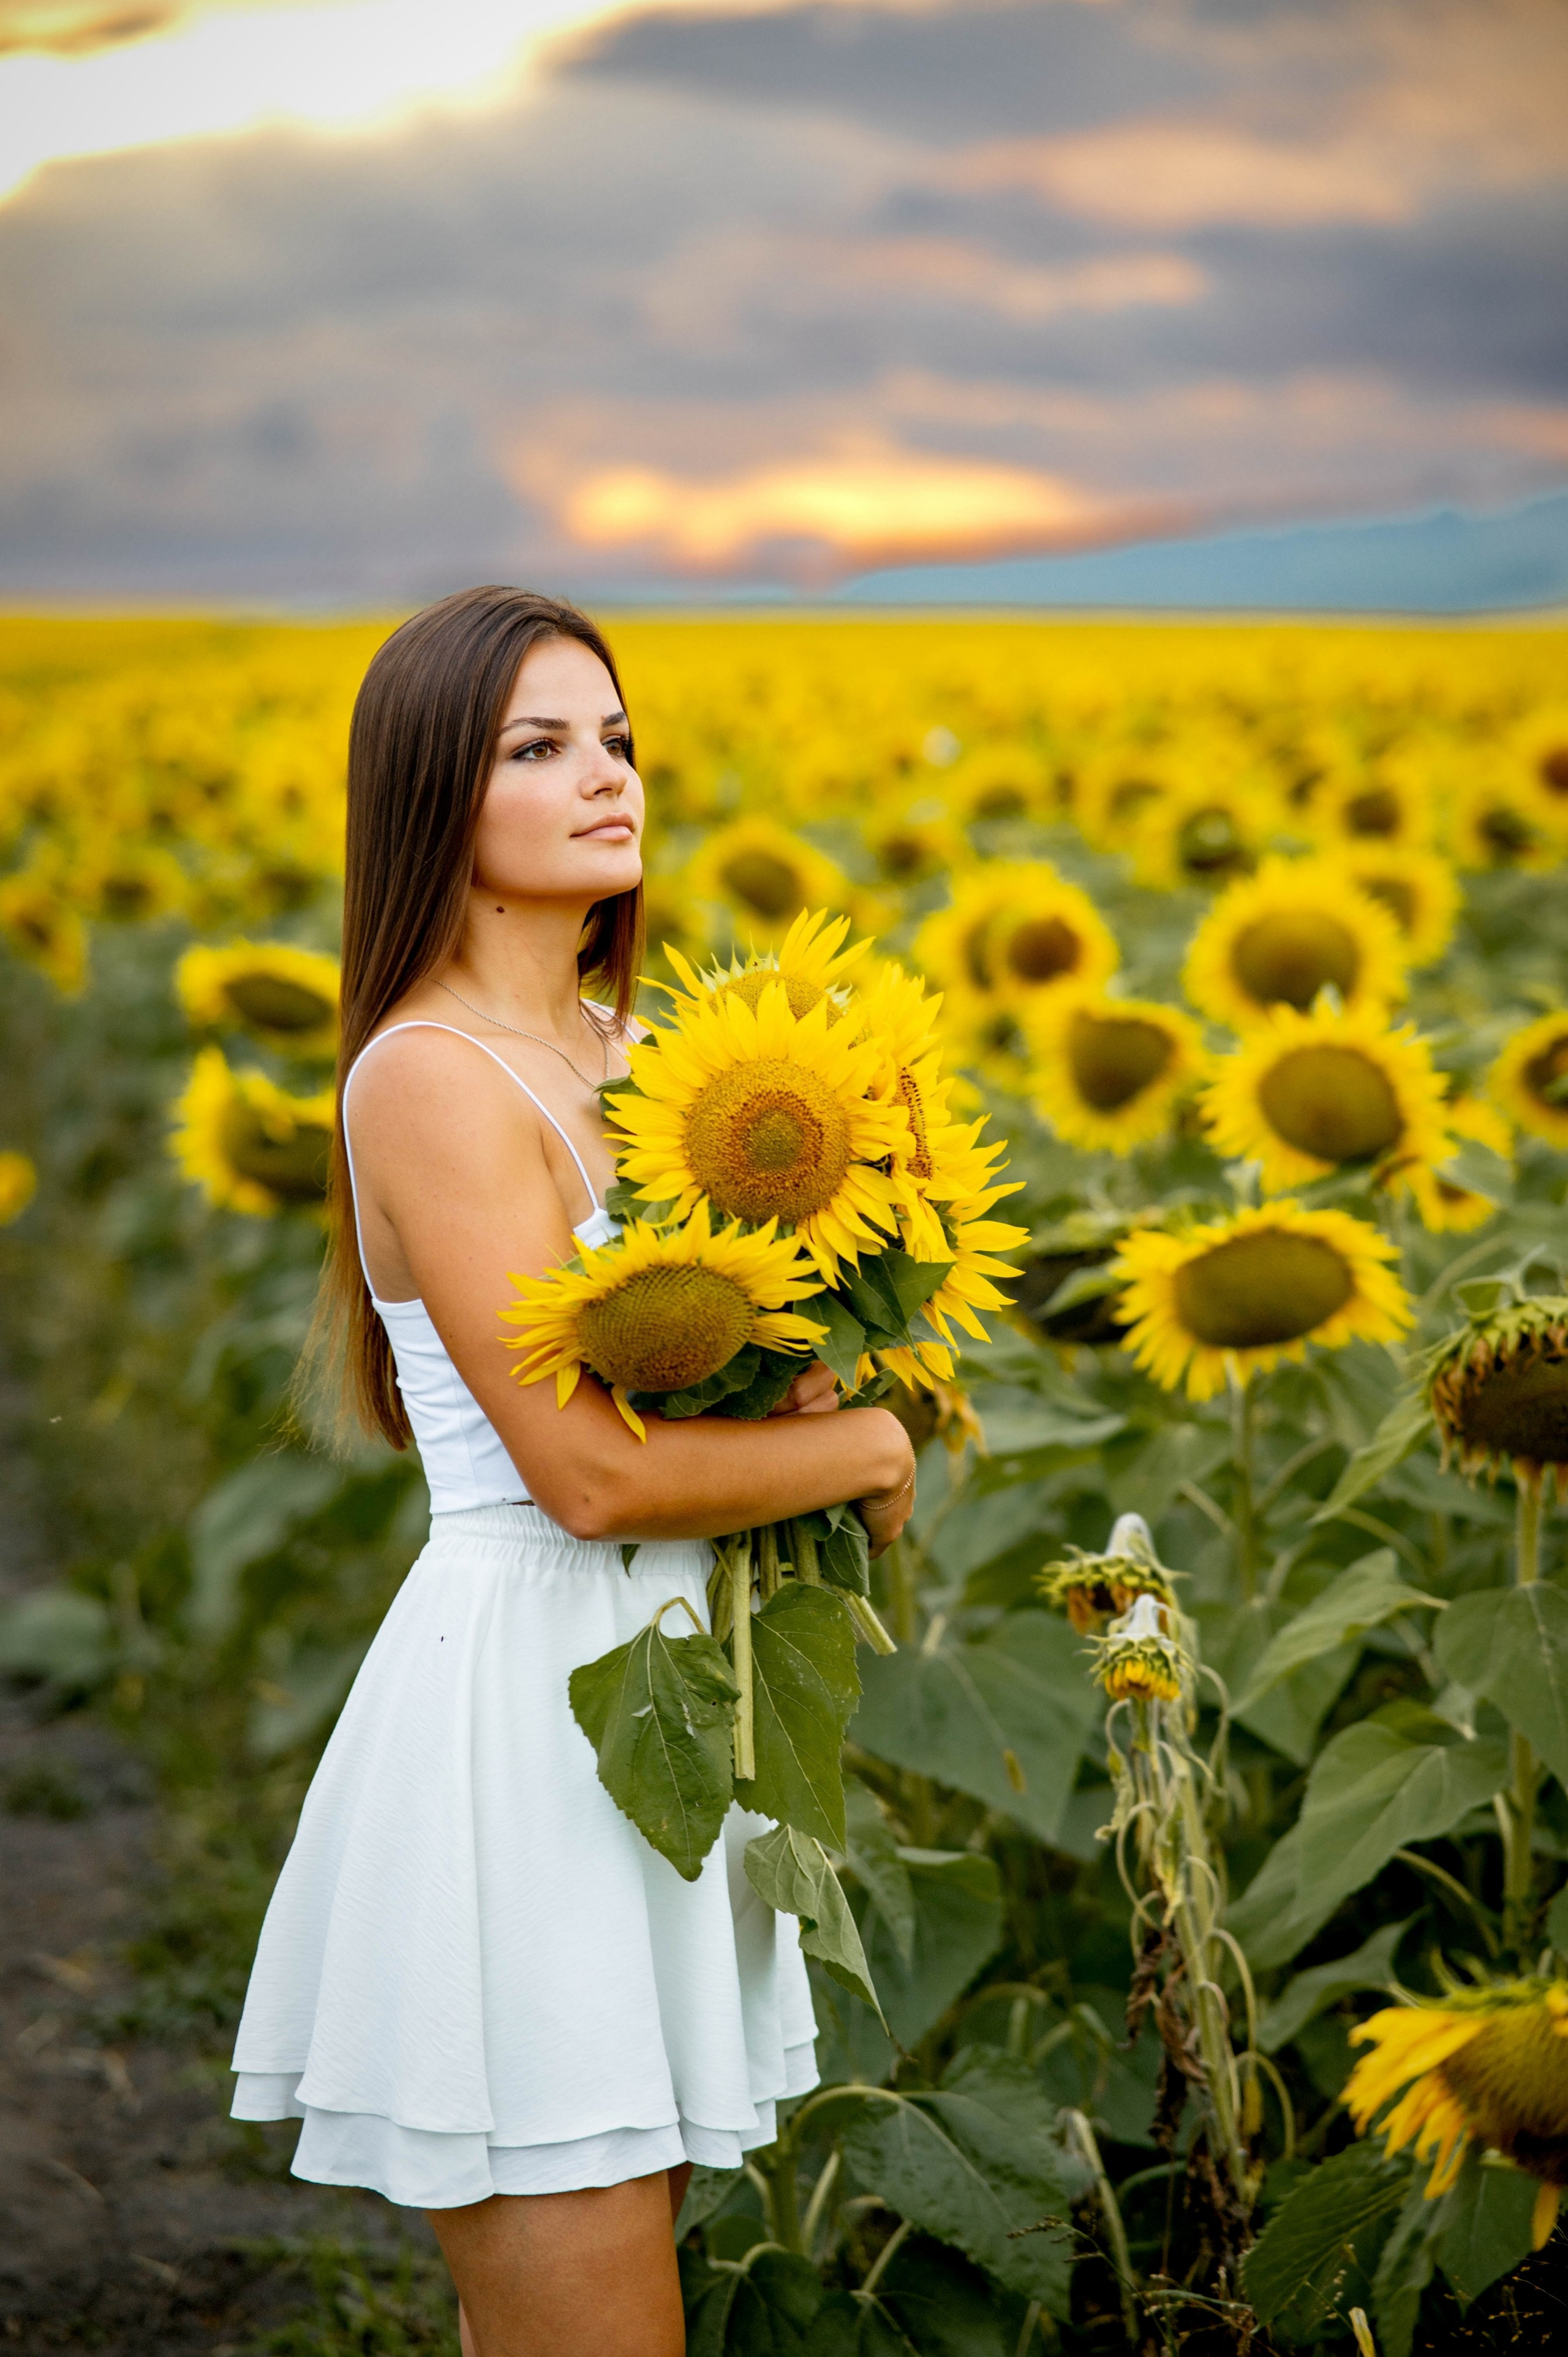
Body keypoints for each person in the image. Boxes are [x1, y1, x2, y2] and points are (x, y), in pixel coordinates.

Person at [227, 586, 916, 2357]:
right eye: (538, 746)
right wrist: (866, 1445)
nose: (605, 775)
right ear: (433, 800)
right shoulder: (434, 1081)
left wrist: (830, 1346)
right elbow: (588, 1481)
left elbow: (717, 1380)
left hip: (670, 1712)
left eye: (613, 736)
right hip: (536, 1722)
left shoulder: (651, 1063)